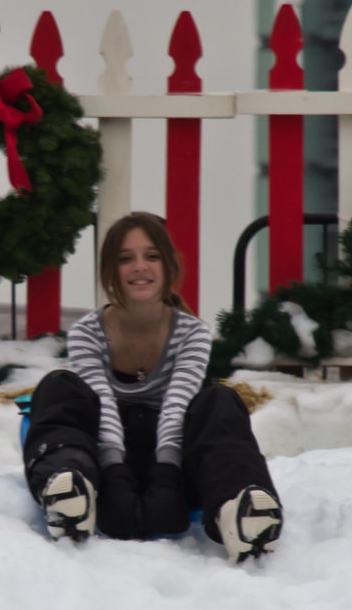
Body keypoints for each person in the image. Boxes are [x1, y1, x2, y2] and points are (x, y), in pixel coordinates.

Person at [21, 212, 282, 564]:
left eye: (151, 256)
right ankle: (69, 493)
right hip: (100, 462)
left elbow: (177, 407)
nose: (139, 267)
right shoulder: (88, 332)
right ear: (110, 271)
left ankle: (240, 507)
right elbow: (103, 404)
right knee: (58, 385)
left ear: (168, 266)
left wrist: (167, 477)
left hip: (173, 464)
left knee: (220, 399)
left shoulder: (192, 334)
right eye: (126, 258)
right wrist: (114, 475)